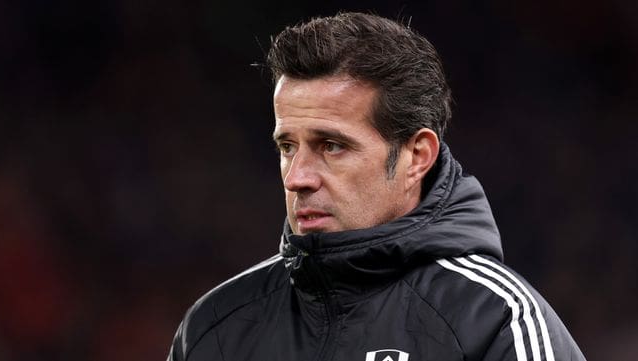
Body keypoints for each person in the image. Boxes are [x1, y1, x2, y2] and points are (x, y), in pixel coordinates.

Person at [167, 12, 585, 361]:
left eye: (331, 146)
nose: (297, 178)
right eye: (287, 146)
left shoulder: (496, 321)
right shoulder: (213, 328)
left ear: (417, 156)